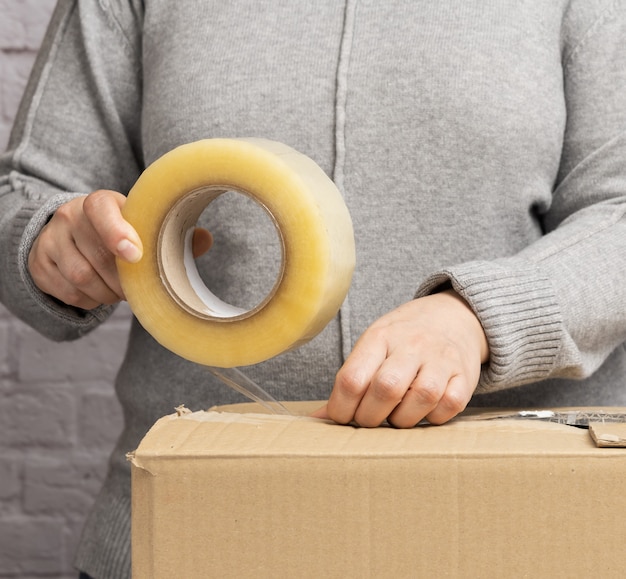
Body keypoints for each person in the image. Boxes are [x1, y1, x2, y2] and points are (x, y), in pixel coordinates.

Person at [1, 1, 625, 577]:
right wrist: (50, 243)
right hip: (193, 530)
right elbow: (26, 190)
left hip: (521, 531)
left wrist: (476, 318)